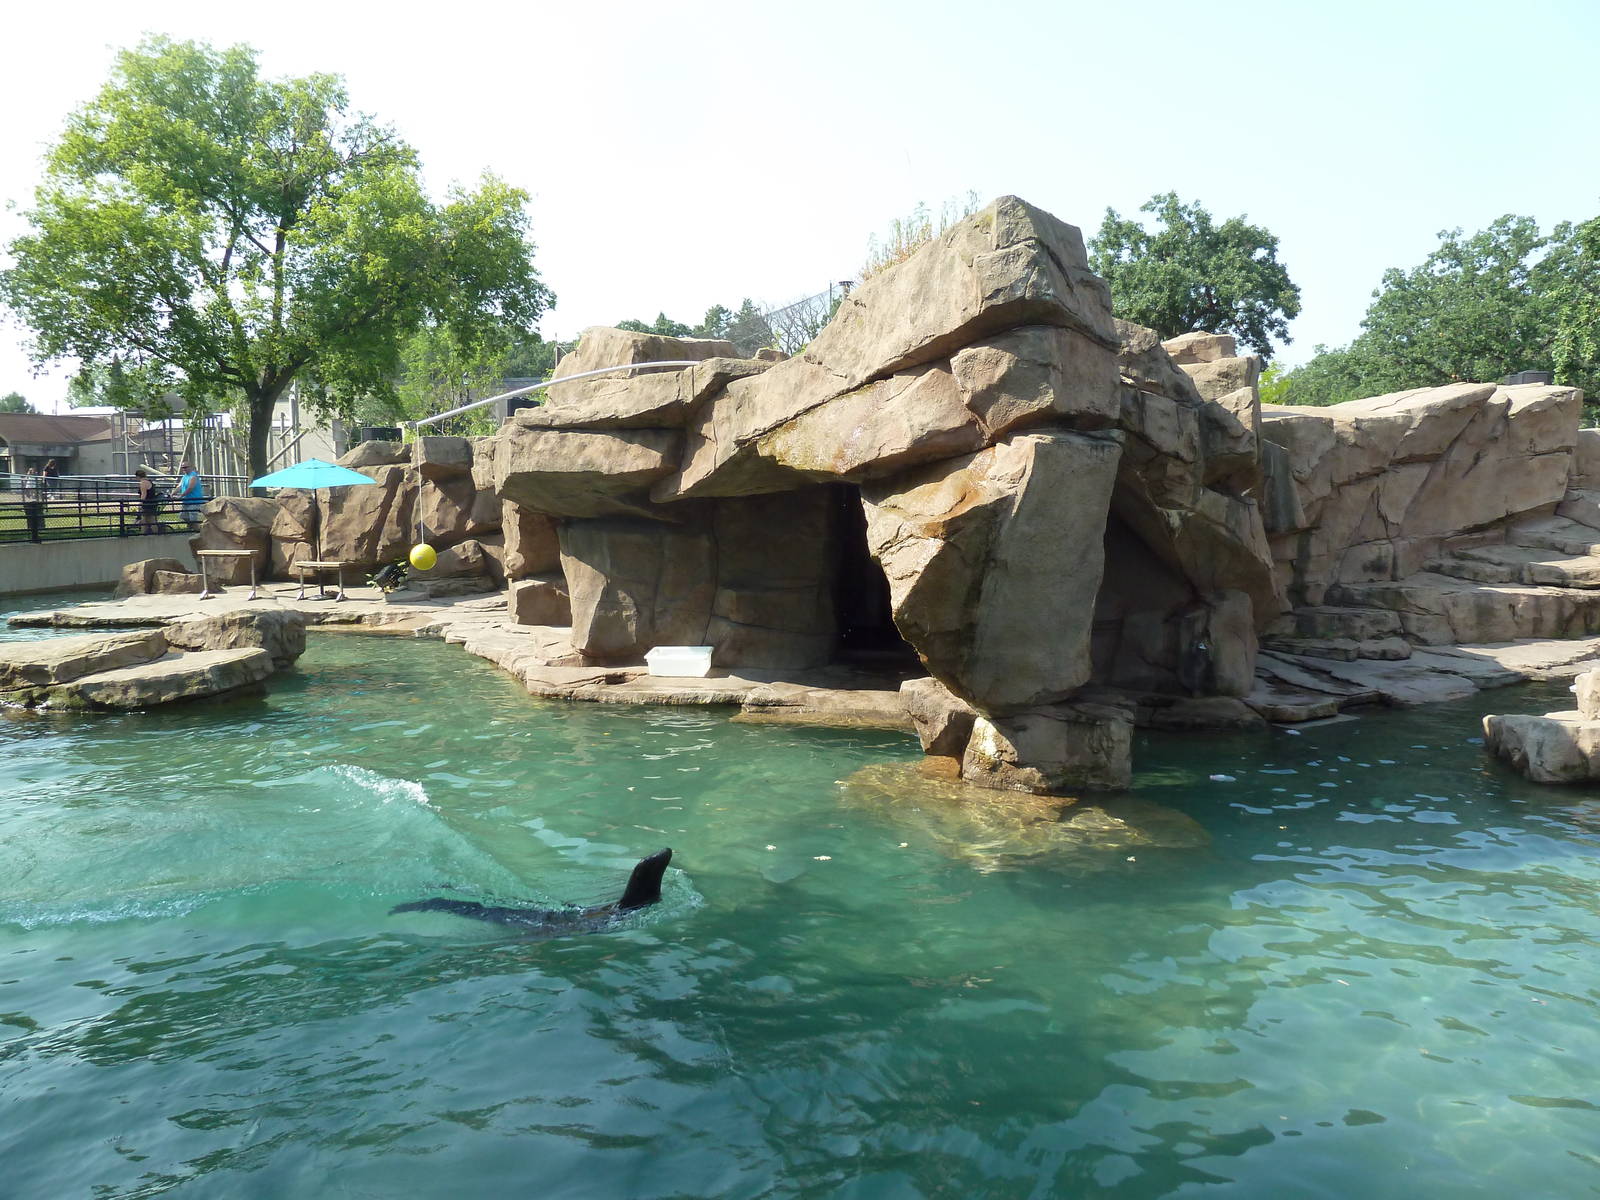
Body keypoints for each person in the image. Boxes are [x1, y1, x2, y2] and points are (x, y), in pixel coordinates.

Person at [174, 460, 206, 530]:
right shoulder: (184, 476)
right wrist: (173, 493)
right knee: (183, 516)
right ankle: (193, 528)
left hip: (194, 501)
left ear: (190, 467)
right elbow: (179, 486)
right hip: (186, 501)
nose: (184, 469)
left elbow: (190, 488)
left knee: (193, 519)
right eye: (182, 467)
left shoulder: (193, 476)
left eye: (185, 467)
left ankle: (198, 531)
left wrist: (181, 496)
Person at [20, 466, 45, 542]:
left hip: (33, 483)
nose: (32, 471)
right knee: (30, 490)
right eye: (31, 470)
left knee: (33, 490)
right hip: (30, 483)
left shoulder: (35, 474)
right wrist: (25, 479)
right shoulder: (29, 475)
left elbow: (37, 477)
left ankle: (33, 496)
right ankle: (30, 496)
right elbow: (26, 478)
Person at [133, 467, 161, 535]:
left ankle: (144, 534)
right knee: (149, 520)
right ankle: (154, 534)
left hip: (147, 504)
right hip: (152, 503)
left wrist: (140, 503)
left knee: (146, 520)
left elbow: (144, 494)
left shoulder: (143, 483)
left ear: (138, 476)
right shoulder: (149, 481)